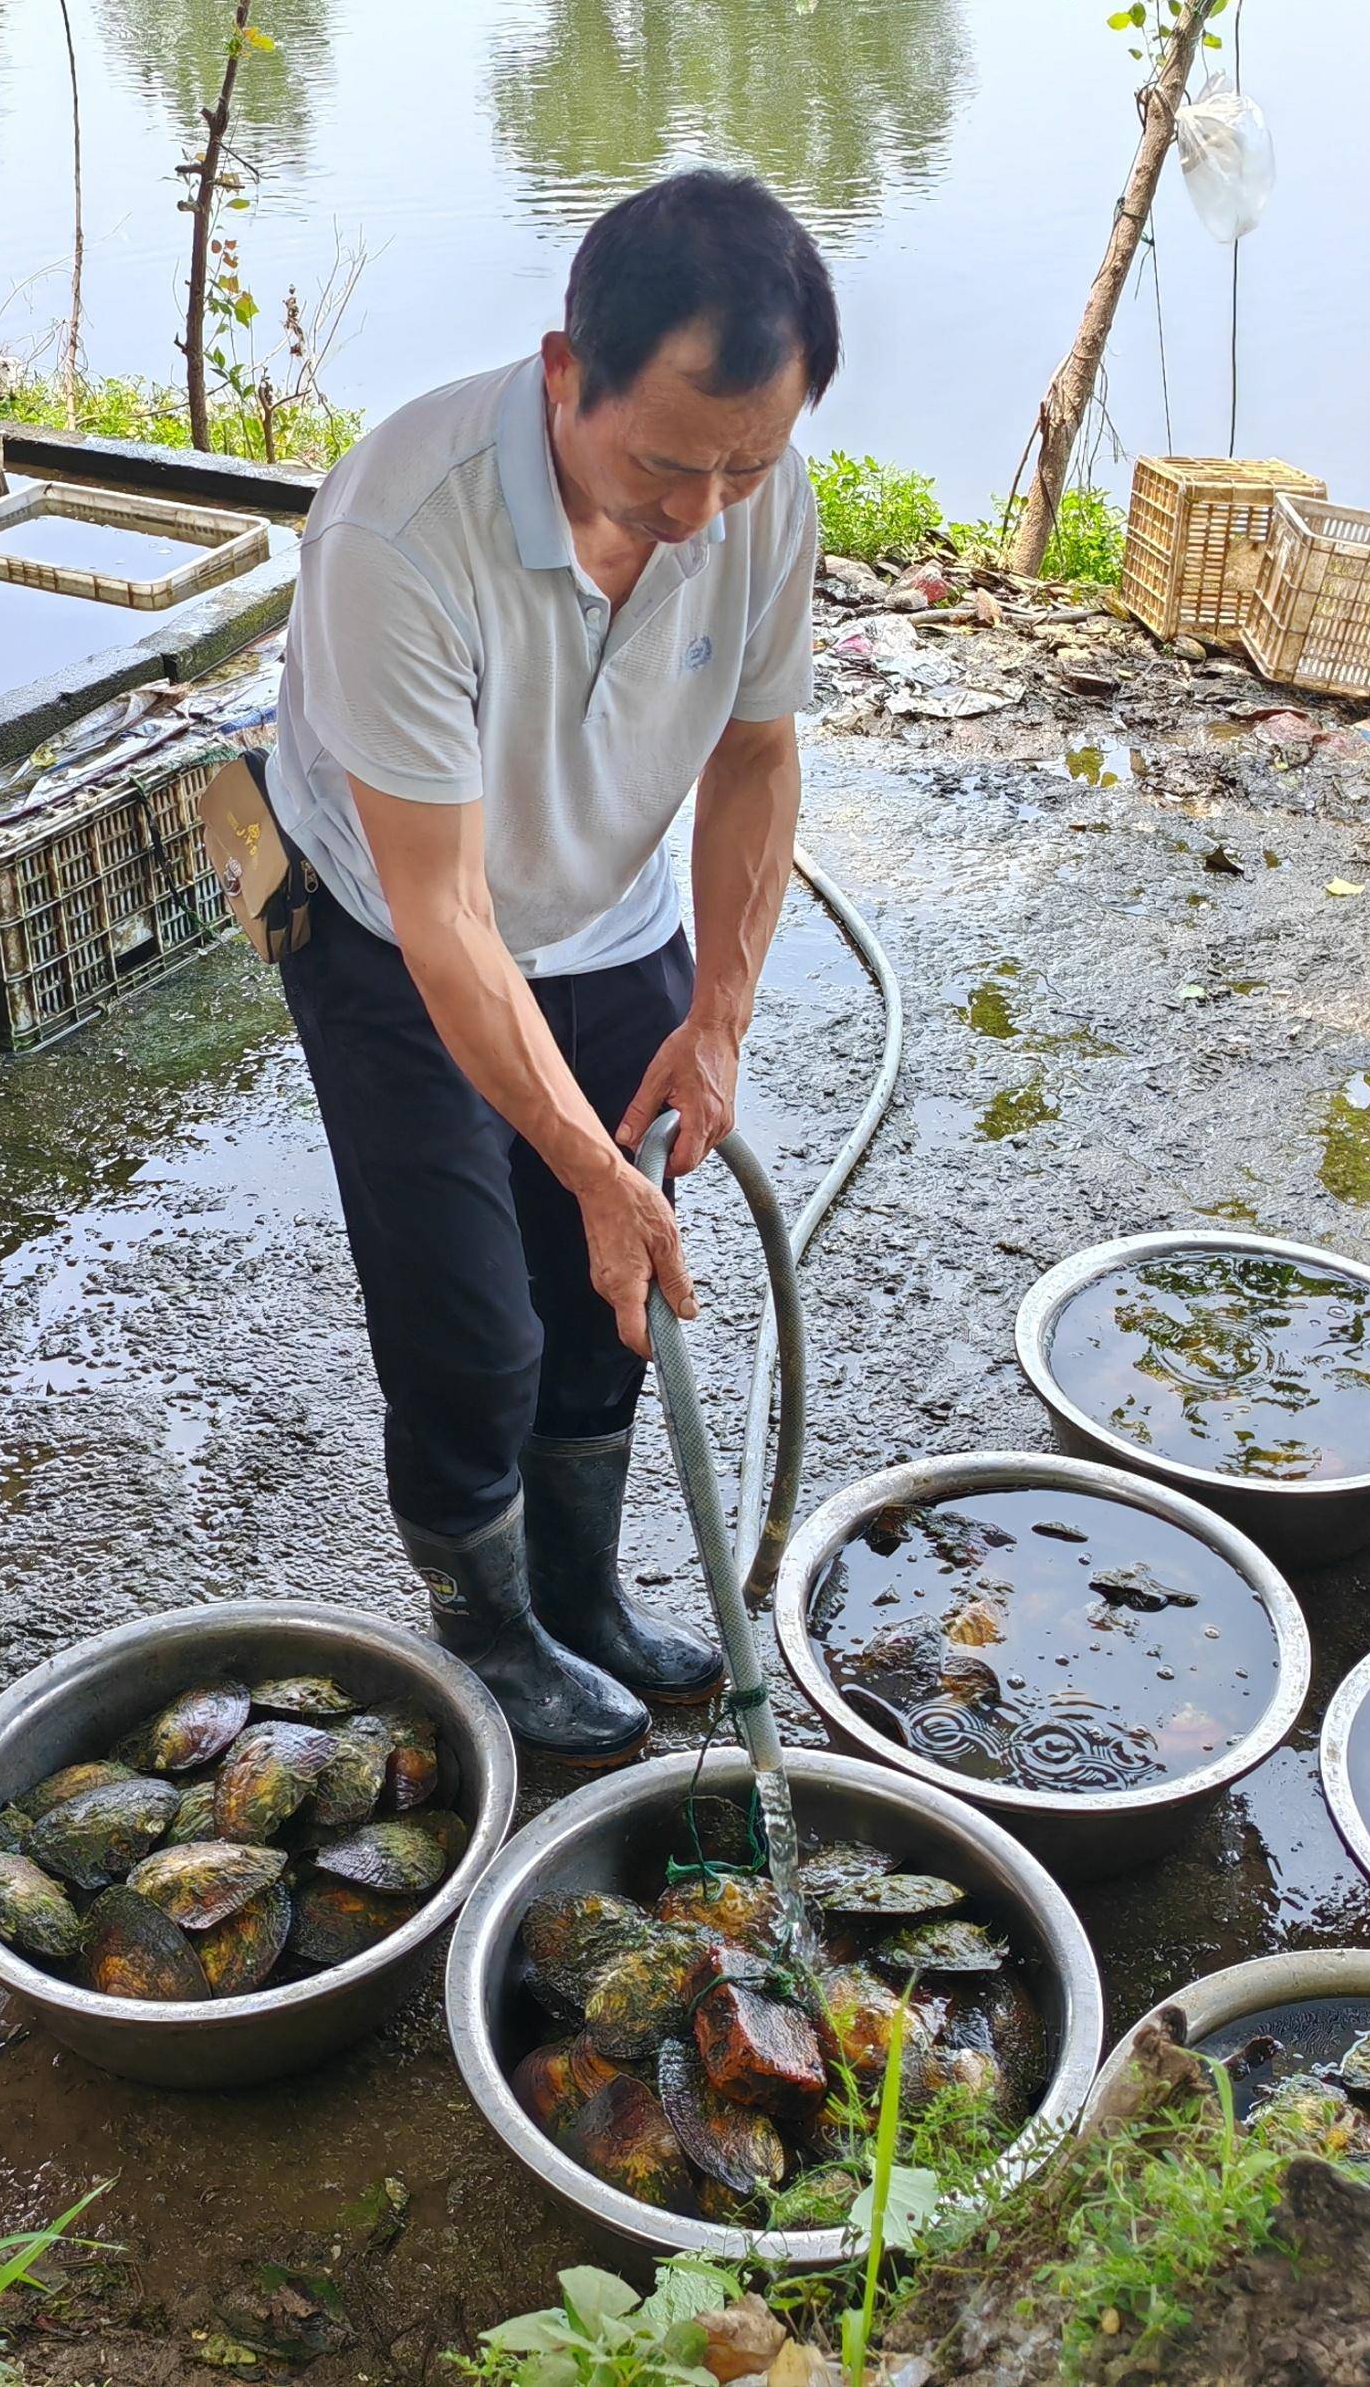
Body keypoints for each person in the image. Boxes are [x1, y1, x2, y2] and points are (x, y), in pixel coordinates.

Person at [264, 169, 830, 1764]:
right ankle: (492, 1630)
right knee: (472, 1322)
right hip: (393, 934)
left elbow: (757, 760)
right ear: (564, 369)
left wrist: (718, 1014)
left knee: (614, 1299)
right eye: (665, 464)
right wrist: (586, 1162)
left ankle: (581, 1596)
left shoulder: (748, 489)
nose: (705, 511)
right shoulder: (403, 523)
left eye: (748, 465)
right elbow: (444, 915)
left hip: (616, 916)